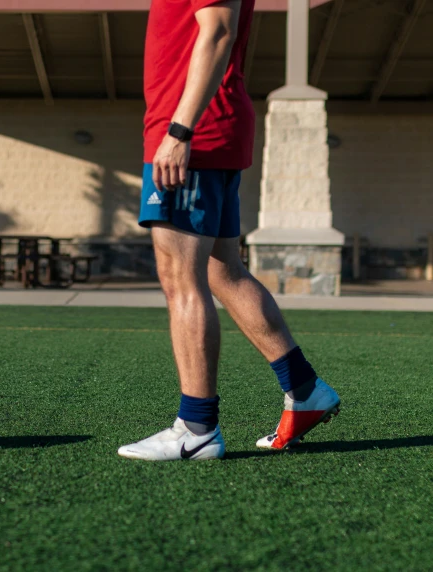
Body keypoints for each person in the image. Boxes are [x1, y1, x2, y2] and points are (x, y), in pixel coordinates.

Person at [118, 0, 340, 461]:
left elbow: (218, 31)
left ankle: (196, 427)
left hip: (194, 132)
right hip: (207, 128)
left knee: (182, 278)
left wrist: (180, 132)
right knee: (224, 272)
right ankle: (305, 389)